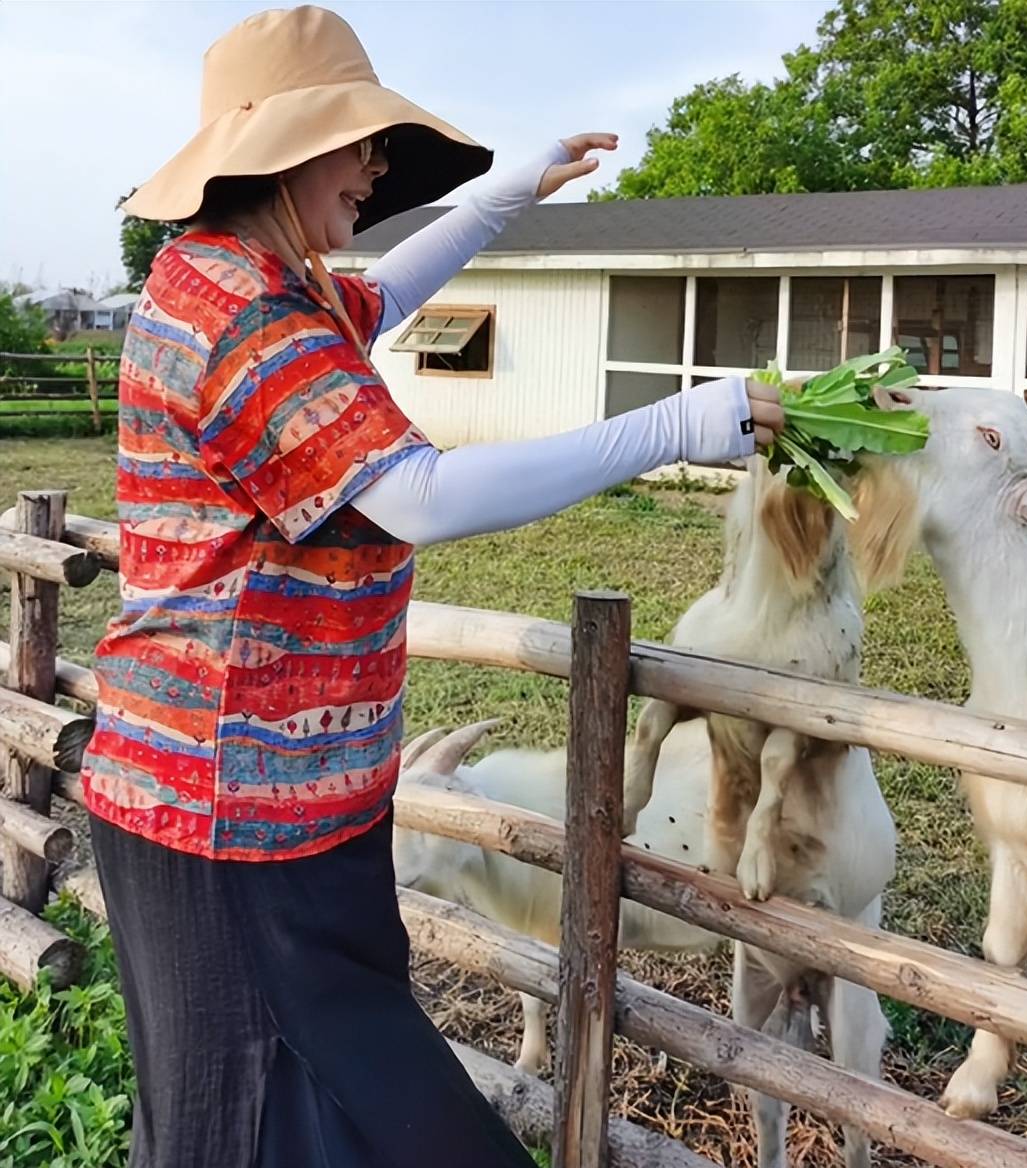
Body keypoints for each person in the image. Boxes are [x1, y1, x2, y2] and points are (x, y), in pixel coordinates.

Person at [83, 6, 784, 1167]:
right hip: (228, 824)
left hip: (274, 813)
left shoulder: (251, 279)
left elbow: (381, 297)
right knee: (295, 1133)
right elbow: (420, 495)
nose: (372, 170)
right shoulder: (246, 316)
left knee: (280, 1135)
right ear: (285, 150)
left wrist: (508, 197)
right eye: (356, 144)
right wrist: (677, 421)